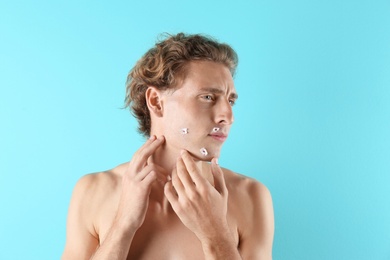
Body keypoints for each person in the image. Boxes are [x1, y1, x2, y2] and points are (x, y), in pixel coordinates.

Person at [61, 33, 274, 260]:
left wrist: (216, 236)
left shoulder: (250, 196)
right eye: (208, 97)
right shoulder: (94, 191)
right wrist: (123, 224)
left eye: (230, 101)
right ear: (156, 102)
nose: (228, 116)